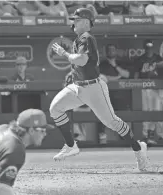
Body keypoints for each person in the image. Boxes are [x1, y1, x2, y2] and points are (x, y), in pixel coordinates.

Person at [49, 8, 149, 172]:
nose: (73, 21)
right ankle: (71, 145)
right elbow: (80, 65)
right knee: (55, 108)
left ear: (87, 22)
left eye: (77, 19)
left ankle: (138, 149)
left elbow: (82, 60)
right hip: (78, 86)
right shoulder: (78, 40)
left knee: (112, 122)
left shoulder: (87, 37)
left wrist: (64, 54)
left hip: (94, 88)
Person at [134, 39, 163, 145]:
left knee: (157, 111)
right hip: (144, 88)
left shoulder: (158, 59)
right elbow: (136, 76)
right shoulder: (140, 59)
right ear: (144, 47)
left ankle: (160, 135)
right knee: (146, 111)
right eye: (147, 46)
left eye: (151, 46)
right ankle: (146, 136)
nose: (149, 48)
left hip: (157, 89)